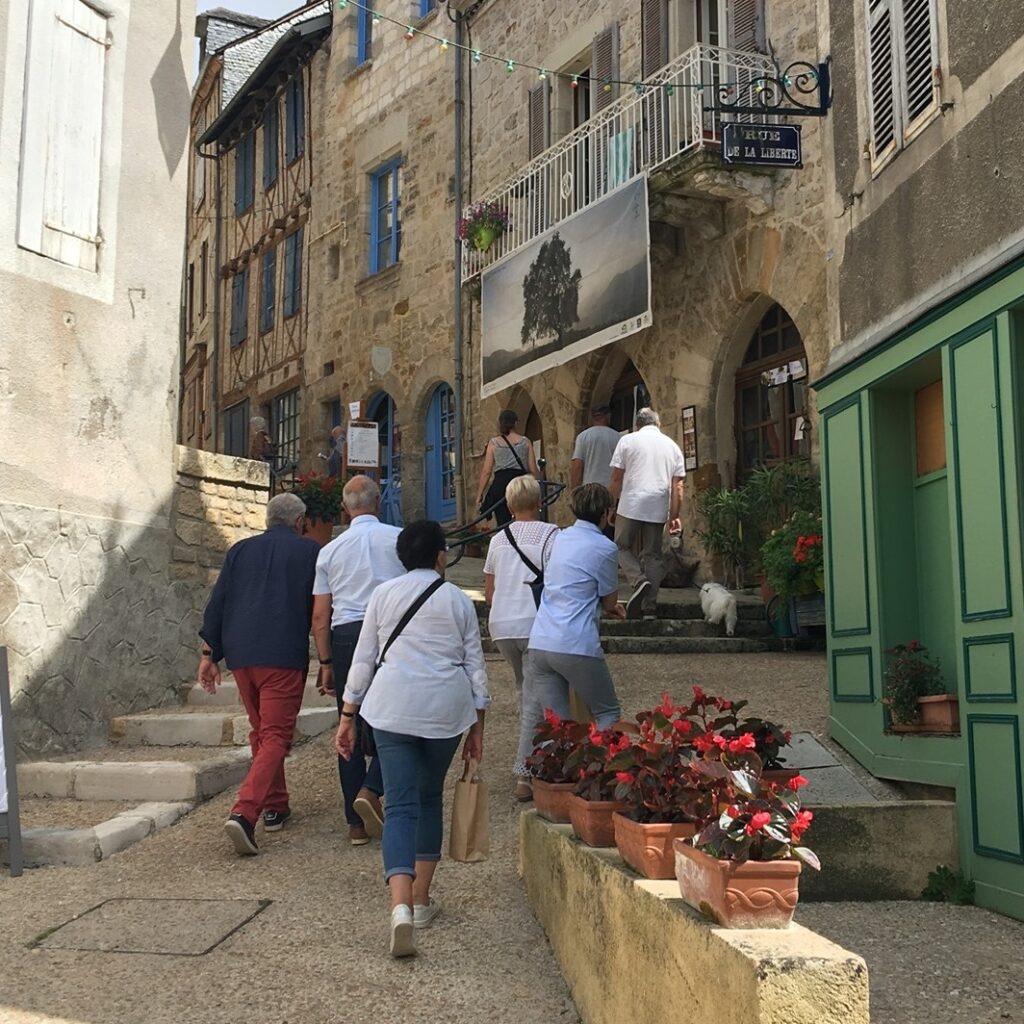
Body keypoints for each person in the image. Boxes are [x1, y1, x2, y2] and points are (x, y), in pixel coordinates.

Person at [336, 520, 489, 958]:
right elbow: (475, 666)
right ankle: (422, 900)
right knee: (428, 799)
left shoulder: (382, 596)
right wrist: (478, 727)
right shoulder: (458, 600)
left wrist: (348, 716)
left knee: (399, 804)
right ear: (441, 556)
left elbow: (364, 660)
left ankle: (399, 907)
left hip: (393, 708)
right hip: (445, 710)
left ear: (402, 558)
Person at [198, 492, 320, 857]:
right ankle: (245, 811)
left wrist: (209, 655)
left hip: (241, 656)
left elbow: (217, 602)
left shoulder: (239, 551)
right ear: (299, 522)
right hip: (281, 655)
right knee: (277, 737)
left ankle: (276, 804)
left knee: (263, 733)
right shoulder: (311, 552)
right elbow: (321, 609)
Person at [312, 476, 404, 846]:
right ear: (378, 502)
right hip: (392, 631)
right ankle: (376, 789)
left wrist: (325, 661)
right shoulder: (398, 538)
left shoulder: (330, 551)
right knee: (395, 718)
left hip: (348, 633)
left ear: (345, 508)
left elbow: (320, 615)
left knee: (347, 723)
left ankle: (355, 823)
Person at [483, 475, 559, 801]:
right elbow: (557, 583)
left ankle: (535, 748)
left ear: (510, 506)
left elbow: (489, 593)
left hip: (501, 625)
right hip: (533, 622)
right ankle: (524, 773)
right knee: (532, 698)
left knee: (525, 689)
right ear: (539, 502)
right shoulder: (551, 535)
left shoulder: (497, 540)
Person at [525, 483, 625, 730]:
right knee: (608, 713)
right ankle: (605, 767)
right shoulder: (606, 547)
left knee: (559, 727)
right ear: (606, 513)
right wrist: (612, 607)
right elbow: (609, 600)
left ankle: (559, 768)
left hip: (541, 638)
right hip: (576, 641)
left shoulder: (557, 538)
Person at [608, 408, 685, 621]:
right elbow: (678, 486)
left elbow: (616, 478)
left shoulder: (628, 441)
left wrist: (611, 506)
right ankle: (650, 608)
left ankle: (637, 579)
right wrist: (674, 515)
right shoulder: (672, 446)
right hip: (657, 505)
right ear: (657, 424)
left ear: (637, 425)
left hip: (631, 503)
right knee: (654, 555)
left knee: (620, 546)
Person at [475, 409, 539, 527]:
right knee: (523, 518)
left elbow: (486, 471)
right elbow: (533, 470)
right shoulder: (525, 442)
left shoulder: (494, 443)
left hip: (501, 486)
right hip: (520, 484)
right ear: (515, 423)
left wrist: (480, 493)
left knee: (503, 522)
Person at [570, 405, 621, 489]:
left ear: (592, 418)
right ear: (608, 416)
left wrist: (574, 489)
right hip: (610, 488)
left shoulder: (583, 437)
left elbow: (577, 466)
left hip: (590, 488)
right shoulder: (618, 437)